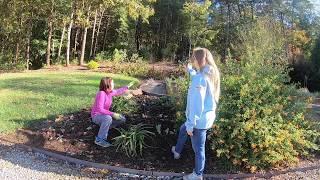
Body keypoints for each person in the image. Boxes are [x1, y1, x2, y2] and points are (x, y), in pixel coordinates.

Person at [171, 48, 220, 180]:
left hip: (198, 121)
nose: (192, 60)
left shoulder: (200, 79)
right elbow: (198, 78)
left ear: (198, 60)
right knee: (182, 129)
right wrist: (190, 70)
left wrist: (191, 125)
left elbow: (197, 105)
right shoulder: (209, 73)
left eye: (193, 58)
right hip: (205, 117)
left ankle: (198, 175)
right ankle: (177, 151)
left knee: (199, 149)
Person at [91, 77, 134, 147]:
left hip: (105, 115)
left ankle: (106, 127)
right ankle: (100, 139)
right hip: (97, 115)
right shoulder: (101, 93)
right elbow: (100, 109)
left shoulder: (110, 92)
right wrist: (112, 114)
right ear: (107, 84)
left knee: (122, 119)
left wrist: (127, 86)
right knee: (108, 118)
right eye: (112, 83)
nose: (114, 84)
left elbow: (118, 91)